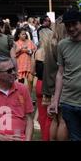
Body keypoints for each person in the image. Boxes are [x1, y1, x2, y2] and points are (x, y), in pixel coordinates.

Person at [47, 9, 81, 141]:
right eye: (68, 25)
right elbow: (60, 73)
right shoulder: (62, 45)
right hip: (68, 102)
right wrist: (55, 100)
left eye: (74, 24)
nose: (71, 28)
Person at [0, 56, 34, 141]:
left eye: (14, 69)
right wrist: (2, 138)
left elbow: (29, 119)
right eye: (9, 71)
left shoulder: (22, 89)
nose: (14, 73)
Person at [42, 21, 69, 141]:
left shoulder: (49, 43)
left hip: (50, 85)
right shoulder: (62, 45)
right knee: (63, 120)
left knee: (55, 119)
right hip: (60, 85)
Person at [32, 28, 53, 141]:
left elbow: (32, 71)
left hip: (40, 84)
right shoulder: (53, 52)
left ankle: (45, 138)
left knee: (42, 114)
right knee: (51, 116)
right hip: (50, 85)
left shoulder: (37, 52)